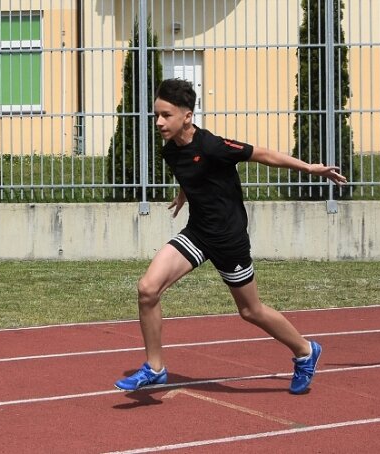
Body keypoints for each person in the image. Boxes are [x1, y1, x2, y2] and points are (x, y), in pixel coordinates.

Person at [115, 78, 347, 394]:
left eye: (166, 115)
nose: (158, 122)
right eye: (156, 114)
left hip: (229, 239)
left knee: (250, 311)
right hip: (197, 233)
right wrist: (185, 193)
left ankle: (306, 351)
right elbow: (191, 172)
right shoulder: (170, 151)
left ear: (187, 116)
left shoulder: (213, 146)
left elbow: (263, 154)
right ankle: (155, 368)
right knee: (147, 289)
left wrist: (310, 169)